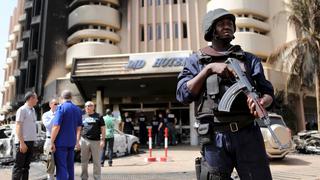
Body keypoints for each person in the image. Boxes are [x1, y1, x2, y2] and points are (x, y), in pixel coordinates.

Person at [176, 8, 274, 180]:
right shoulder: (196, 61)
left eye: (230, 23)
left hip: (248, 134)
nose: (227, 26)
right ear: (211, 30)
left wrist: (262, 101)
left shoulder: (249, 59)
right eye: (221, 24)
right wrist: (208, 70)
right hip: (214, 137)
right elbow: (183, 94)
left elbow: (269, 93)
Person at [51, 90, 82, 180]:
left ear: (61, 97)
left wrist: (52, 141)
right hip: (71, 142)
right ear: (71, 97)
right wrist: (77, 140)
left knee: (61, 167)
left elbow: (56, 126)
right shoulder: (77, 109)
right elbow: (79, 127)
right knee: (70, 167)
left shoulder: (61, 108)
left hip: (61, 143)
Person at [12, 91, 38, 180]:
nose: (37, 100)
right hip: (23, 142)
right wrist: (22, 143)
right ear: (31, 99)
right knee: (18, 167)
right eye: (36, 98)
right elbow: (18, 126)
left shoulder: (33, 110)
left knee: (26, 167)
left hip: (30, 141)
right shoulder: (22, 110)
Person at [79, 101, 105, 180]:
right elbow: (79, 129)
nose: (87, 107)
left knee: (96, 162)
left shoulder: (99, 116)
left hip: (96, 141)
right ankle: (84, 177)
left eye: (89, 105)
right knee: (84, 161)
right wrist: (78, 140)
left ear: (93, 107)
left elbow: (103, 129)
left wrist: (103, 140)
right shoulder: (82, 116)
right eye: (86, 106)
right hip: (84, 140)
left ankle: (97, 178)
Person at [42, 98, 59, 180]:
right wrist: (56, 116)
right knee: (50, 163)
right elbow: (48, 126)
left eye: (58, 104)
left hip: (59, 140)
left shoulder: (60, 114)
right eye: (55, 104)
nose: (57, 105)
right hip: (49, 140)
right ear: (50, 105)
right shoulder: (46, 115)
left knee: (60, 162)